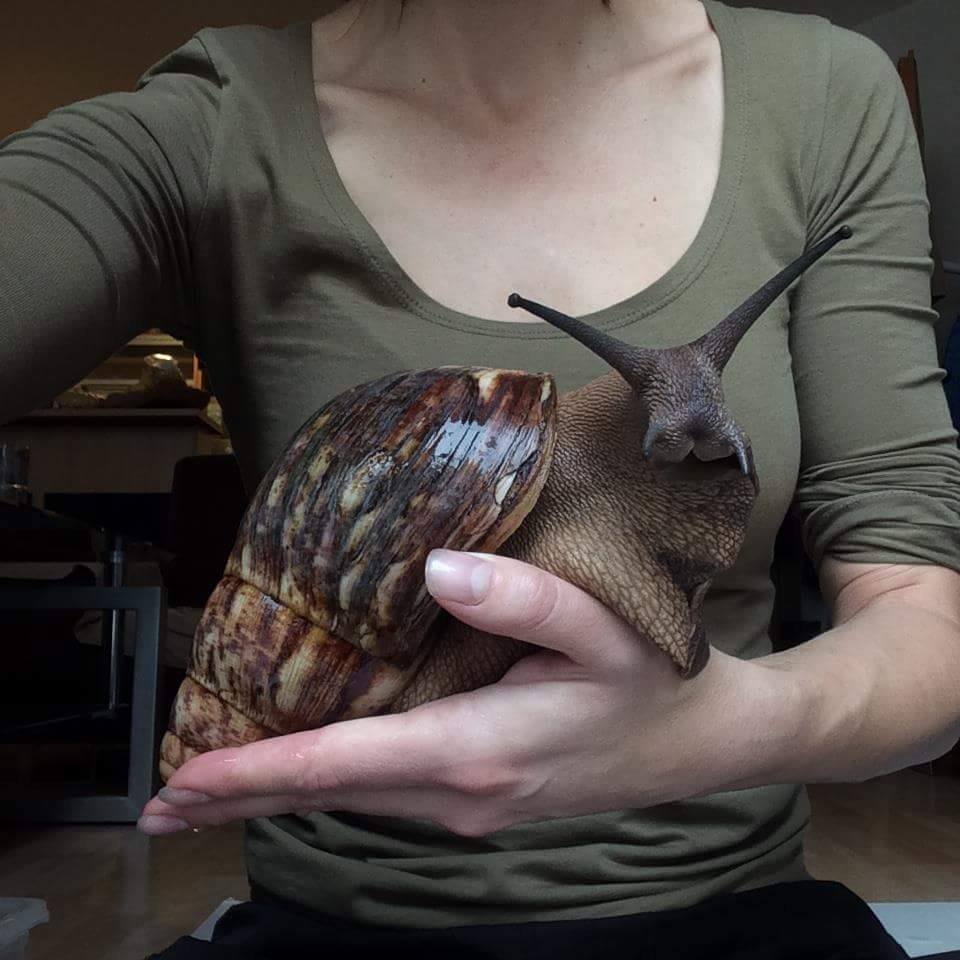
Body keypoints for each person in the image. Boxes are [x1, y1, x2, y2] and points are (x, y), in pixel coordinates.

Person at [3, 1, 959, 957]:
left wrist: (720, 731)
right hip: (343, 922)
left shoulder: (824, 93)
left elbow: (922, 614)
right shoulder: (207, 130)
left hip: (738, 911)